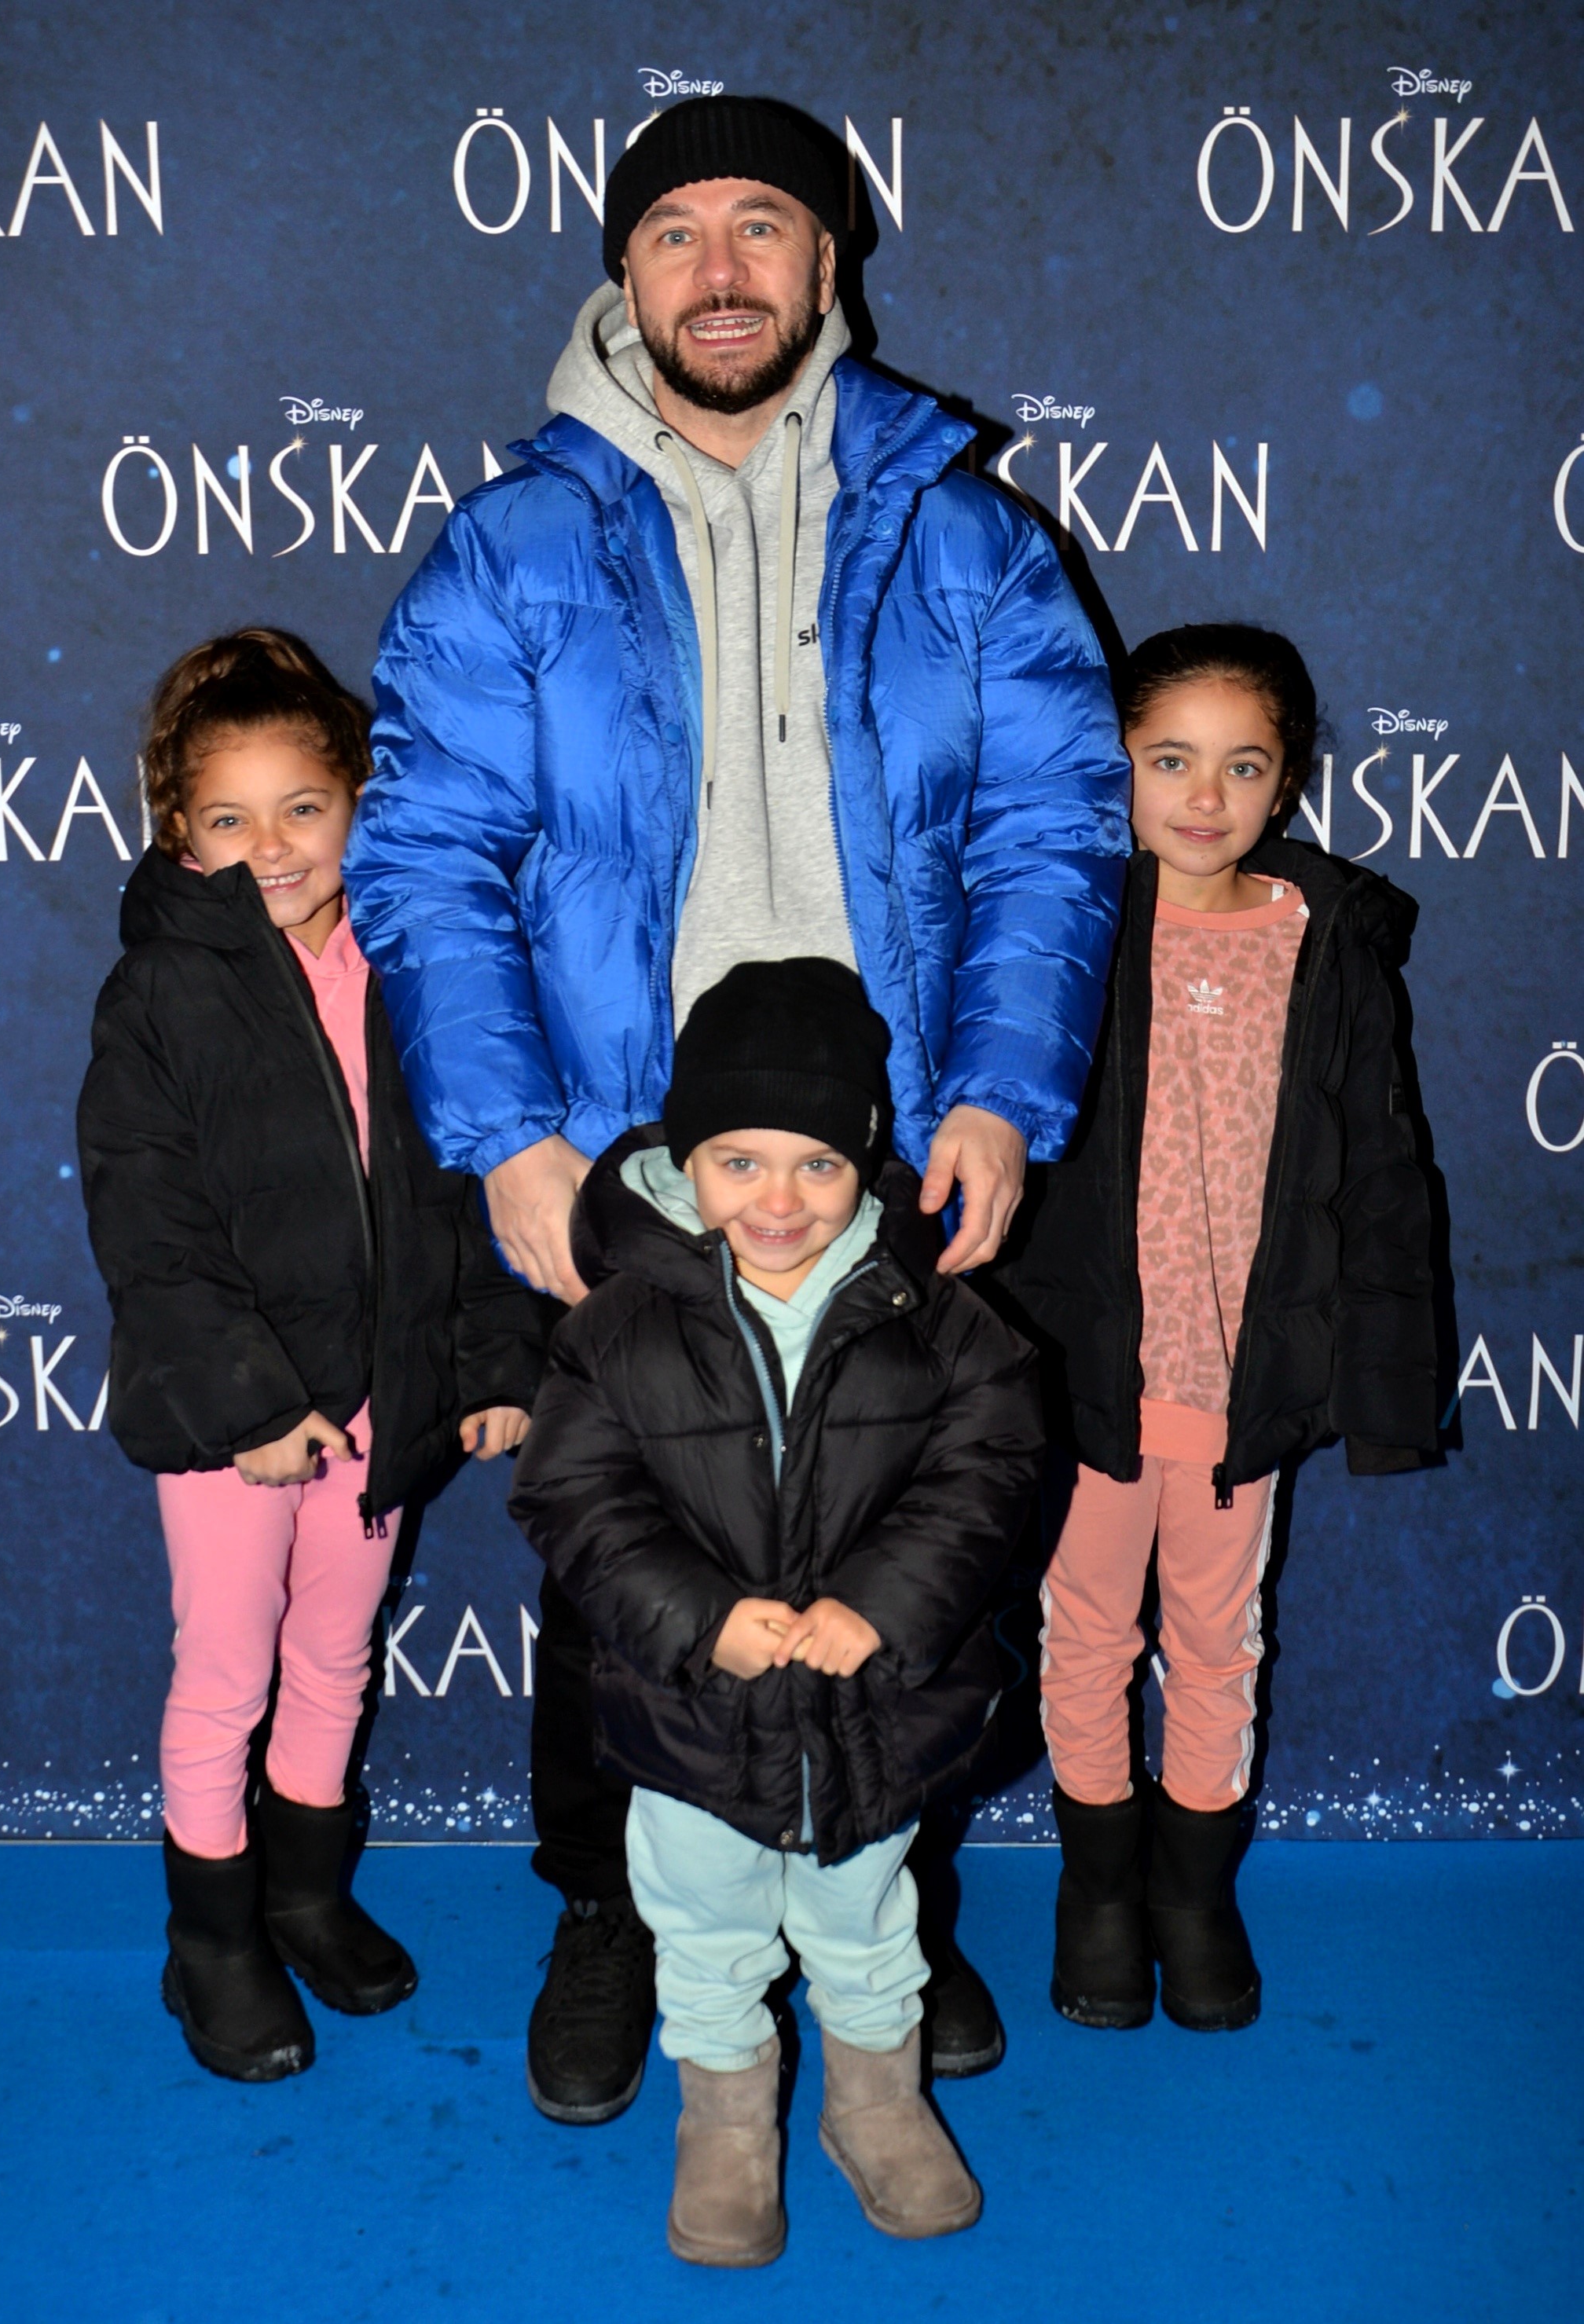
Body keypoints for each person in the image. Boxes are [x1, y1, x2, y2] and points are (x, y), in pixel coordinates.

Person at [346, 92, 1131, 2117]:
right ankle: (611, 1915)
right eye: (675, 229)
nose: (718, 267)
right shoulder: (512, 545)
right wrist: (511, 1134)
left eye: (760, 224)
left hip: (889, 1147)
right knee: (625, 1554)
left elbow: (1052, 833)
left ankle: (884, 1914)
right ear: (621, 270)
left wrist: (999, 1093)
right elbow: (423, 853)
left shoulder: (963, 534)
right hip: (623, 1154)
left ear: (827, 262)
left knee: (900, 1528)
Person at [509, 959, 1042, 2266]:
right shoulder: (616, 1325)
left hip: (874, 1715)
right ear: (683, 1161)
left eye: (818, 1163)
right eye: (739, 1162)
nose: (781, 1200)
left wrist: (882, 1604)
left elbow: (993, 1466)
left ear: (869, 1160)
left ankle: (876, 2103)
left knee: (871, 1922)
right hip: (696, 1721)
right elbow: (572, 1493)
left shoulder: (933, 1313)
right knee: (703, 1930)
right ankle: (726, 2122)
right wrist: (699, 1619)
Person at [78, 629, 550, 2082]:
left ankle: (305, 1892)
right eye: (231, 818)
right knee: (228, 1667)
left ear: (358, 804)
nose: (273, 845)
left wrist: (493, 1358)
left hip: (380, 1397)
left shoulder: (407, 967)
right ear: (180, 828)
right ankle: (213, 1937)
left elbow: (463, 1185)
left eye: (303, 807)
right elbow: (151, 1229)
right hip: (235, 1421)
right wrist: (252, 1403)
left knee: (336, 1652)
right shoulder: (160, 993)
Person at [1016, 624, 1436, 2034]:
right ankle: (1097, 1886)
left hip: (1235, 1381)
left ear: (1288, 780)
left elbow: (1381, 1173)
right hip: (1088, 1374)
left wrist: (1384, 1381)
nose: (1205, 796)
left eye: (1243, 766)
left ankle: (1194, 1892)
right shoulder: (1065, 924)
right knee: (1086, 1631)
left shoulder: (1329, 944)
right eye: (1170, 759)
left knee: (1216, 1638)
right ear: (1116, 764)